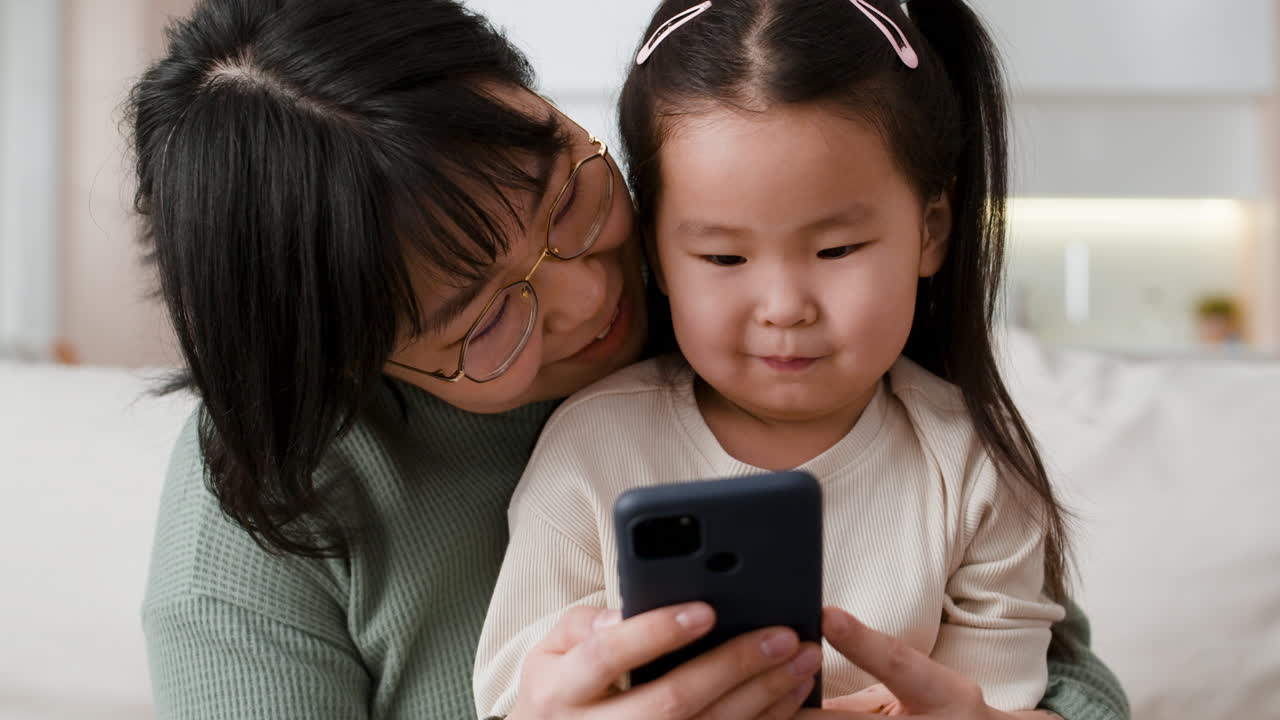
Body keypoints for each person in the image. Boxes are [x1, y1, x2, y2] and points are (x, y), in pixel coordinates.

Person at [129, 0, 1128, 718]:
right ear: (353, 364)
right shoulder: (269, 492)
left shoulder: (740, 301)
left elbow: (1053, 668)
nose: (590, 293)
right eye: (480, 318)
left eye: (565, 194)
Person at [476, 0, 1090, 716]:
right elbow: (518, 695)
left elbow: (1000, 698)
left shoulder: (974, 468)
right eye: (723, 256)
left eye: (835, 250)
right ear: (658, 257)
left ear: (931, 231)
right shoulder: (592, 450)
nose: (784, 305)